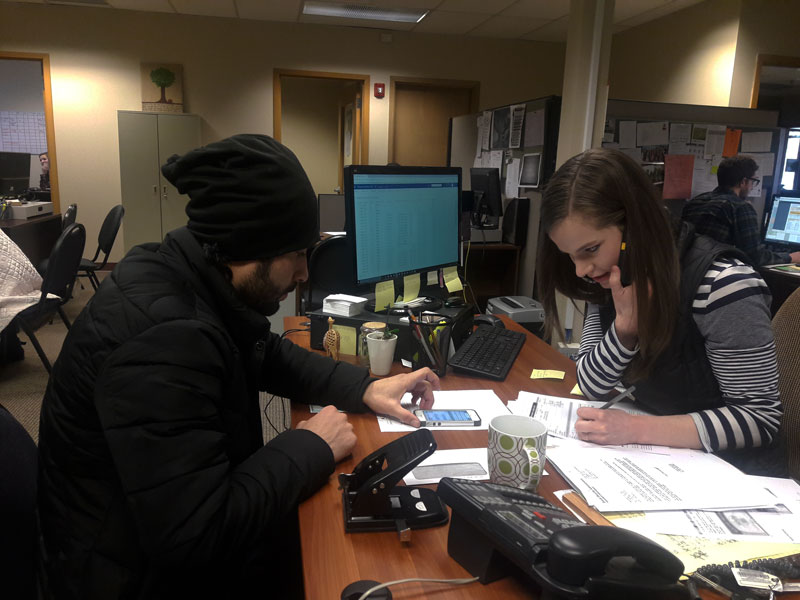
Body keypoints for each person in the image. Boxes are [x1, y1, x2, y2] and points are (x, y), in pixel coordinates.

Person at [37, 134, 440, 600]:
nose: (305, 274)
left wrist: (367, 388)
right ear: (248, 249)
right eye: (295, 255)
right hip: (126, 576)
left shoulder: (190, 273)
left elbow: (264, 351)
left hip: (151, 536)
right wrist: (308, 444)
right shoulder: (162, 338)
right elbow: (197, 535)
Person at [536, 148, 782, 475]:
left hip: (728, 471)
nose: (580, 269)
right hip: (656, 461)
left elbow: (759, 418)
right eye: (569, 254)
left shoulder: (724, 286)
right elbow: (590, 384)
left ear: (634, 226)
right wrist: (625, 330)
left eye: (590, 249)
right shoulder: (613, 276)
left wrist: (635, 429)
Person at [682, 155, 800, 266]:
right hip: (715, 274)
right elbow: (755, 257)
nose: (752, 187)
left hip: (686, 271)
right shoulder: (739, 207)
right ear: (743, 182)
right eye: (753, 181)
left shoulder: (695, 201)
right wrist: (791, 257)